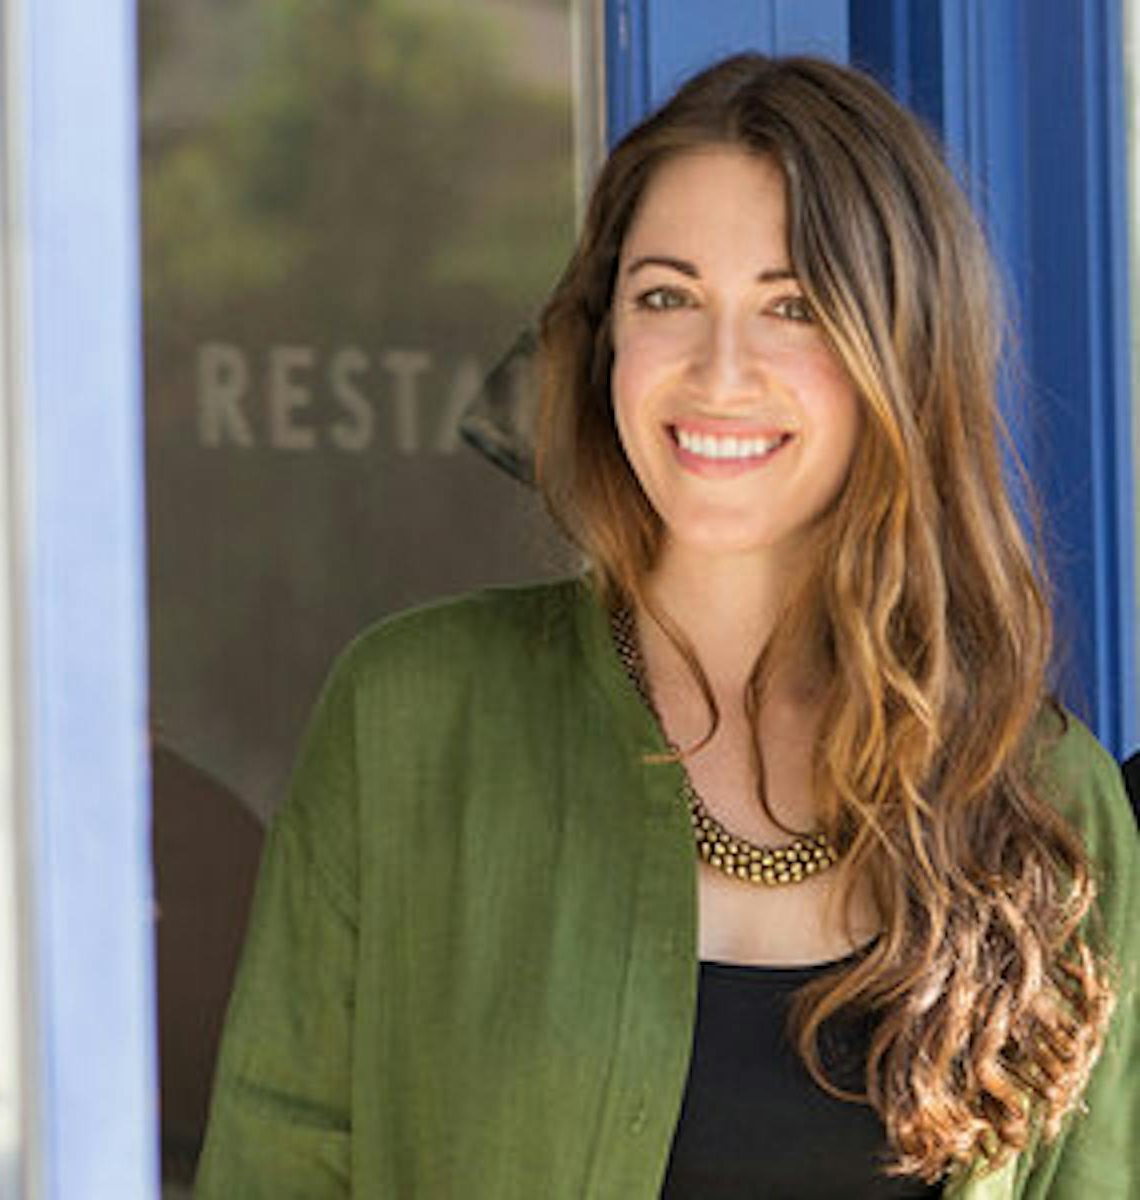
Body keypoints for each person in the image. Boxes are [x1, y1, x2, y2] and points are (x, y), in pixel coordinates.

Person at [194, 54, 1137, 1198]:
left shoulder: (1043, 798)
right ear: (603, 342)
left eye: (793, 306)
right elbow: (280, 1163)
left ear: (900, 352)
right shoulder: (414, 718)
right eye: (666, 297)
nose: (718, 371)